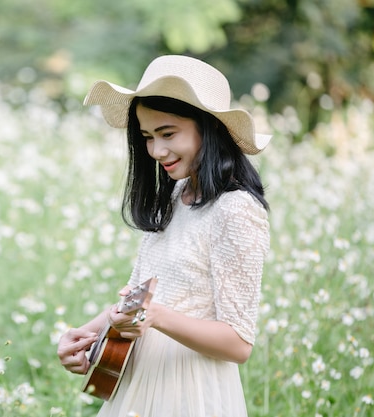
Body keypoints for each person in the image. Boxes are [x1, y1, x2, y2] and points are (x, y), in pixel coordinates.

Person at [57, 55, 271, 417]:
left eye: (168, 134)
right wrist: (85, 335)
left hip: (191, 392)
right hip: (138, 381)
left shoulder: (235, 210)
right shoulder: (177, 195)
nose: (156, 151)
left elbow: (238, 344)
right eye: (147, 137)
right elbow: (140, 296)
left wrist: (156, 317)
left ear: (211, 128)